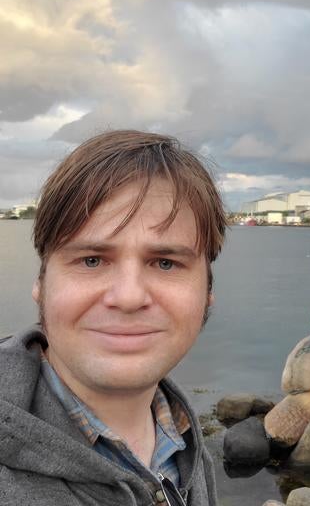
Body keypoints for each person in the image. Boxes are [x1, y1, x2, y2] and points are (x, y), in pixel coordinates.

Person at [0, 130, 227, 506]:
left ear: (207, 294)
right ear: (41, 283)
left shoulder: (184, 444)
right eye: (92, 260)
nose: (128, 297)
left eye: (165, 263)